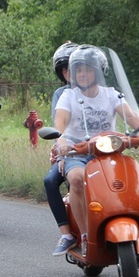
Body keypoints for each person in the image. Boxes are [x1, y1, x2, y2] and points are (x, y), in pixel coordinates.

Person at [54, 45, 139, 257]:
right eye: (78, 70)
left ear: (99, 72)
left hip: (110, 151)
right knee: (76, 178)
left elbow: (131, 116)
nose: (82, 74)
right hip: (77, 153)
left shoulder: (111, 95)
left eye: (88, 70)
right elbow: (59, 124)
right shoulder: (68, 97)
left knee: (138, 176)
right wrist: (60, 140)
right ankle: (84, 236)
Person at [46, 42, 79, 255]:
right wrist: (62, 148)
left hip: (101, 149)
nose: (70, 72)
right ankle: (66, 233)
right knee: (50, 181)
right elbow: (59, 126)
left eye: (75, 66)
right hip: (71, 150)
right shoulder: (62, 94)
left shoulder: (103, 92)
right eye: (65, 68)